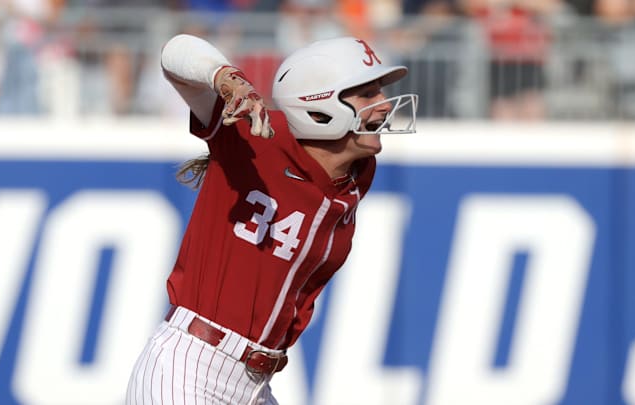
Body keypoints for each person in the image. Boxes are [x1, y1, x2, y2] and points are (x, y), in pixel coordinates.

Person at [125, 34, 418, 404]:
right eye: (367, 94)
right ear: (321, 103)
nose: (384, 105)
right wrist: (224, 77)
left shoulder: (358, 175)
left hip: (256, 383)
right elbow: (175, 53)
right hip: (191, 367)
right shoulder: (254, 135)